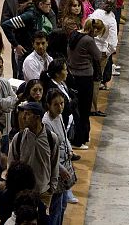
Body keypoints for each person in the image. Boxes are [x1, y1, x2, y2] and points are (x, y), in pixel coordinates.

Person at [8, 101, 60, 208]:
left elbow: (54, 164)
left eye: (27, 114)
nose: (23, 117)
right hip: (23, 193)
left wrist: (51, 188)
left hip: (44, 192)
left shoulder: (52, 138)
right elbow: (11, 164)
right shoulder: (19, 138)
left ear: (37, 117)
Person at [66, 18, 105, 149]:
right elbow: (98, 56)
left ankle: (79, 136)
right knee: (84, 109)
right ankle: (79, 140)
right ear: (94, 30)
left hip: (72, 75)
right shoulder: (88, 40)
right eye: (99, 32)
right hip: (84, 77)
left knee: (76, 108)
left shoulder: (75, 35)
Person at [42, 89, 76, 224]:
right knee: (55, 207)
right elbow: (49, 152)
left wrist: (70, 149)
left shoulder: (59, 116)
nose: (60, 107)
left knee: (62, 205)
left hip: (65, 160)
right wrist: (60, 169)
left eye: (62, 103)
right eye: (56, 104)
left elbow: (64, 135)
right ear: (48, 105)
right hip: (56, 168)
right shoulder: (46, 123)